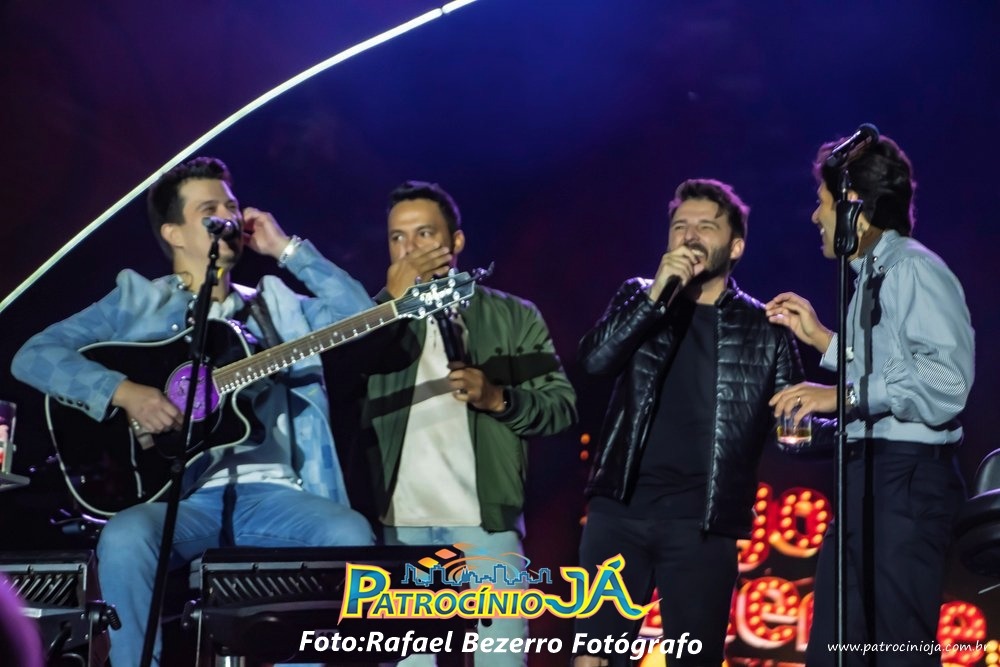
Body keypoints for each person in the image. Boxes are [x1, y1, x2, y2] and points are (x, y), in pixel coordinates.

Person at [11, 156, 375, 667]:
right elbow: (34, 356)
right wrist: (125, 392)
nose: (228, 216)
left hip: (276, 494)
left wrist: (286, 249)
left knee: (350, 534)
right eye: (210, 211)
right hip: (183, 498)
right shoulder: (139, 301)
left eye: (231, 205)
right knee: (126, 536)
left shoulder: (276, 305)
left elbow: (362, 315)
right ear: (174, 233)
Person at [333, 180, 577, 666]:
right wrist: (389, 306)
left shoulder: (511, 315)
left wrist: (498, 399)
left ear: (456, 242)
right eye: (398, 238)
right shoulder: (369, 320)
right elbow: (336, 379)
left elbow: (561, 406)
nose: (410, 249)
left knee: (499, 660)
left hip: (485, 525)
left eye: (424, 234)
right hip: (400, 530)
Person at [575, 179, 803, 667]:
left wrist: (862, 415)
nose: (690, 236)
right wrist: (655, 297)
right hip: (620, 513)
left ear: (735, 247)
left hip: (703, 524)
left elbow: (793, 428)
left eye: (705, 227)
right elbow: (594, 362)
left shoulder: (765, 328)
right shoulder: (639, 296)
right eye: (680, 226)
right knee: (593, 658)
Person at [766, 133, 973, 665]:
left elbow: (946, 383)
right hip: (868, 479)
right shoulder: (873, 275)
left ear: (854, 208)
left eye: (822, 202)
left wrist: (840, 395)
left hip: (904, 481)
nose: (815, 216)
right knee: (839, 650)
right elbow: (893, 367)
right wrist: (824, 341)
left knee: (896, 649)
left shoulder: (912, 268)